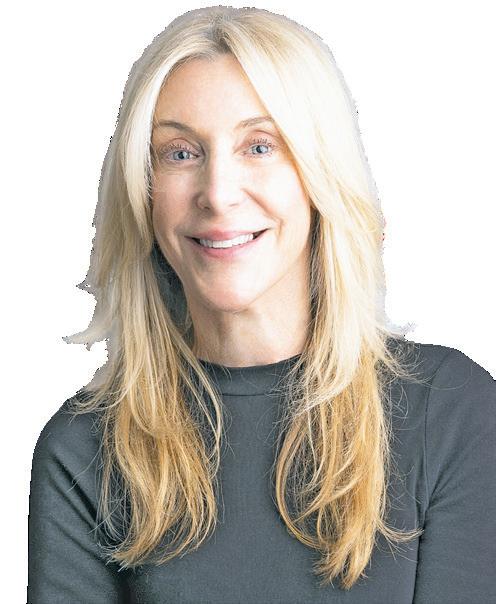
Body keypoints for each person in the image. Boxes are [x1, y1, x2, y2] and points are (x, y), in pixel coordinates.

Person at [27, 6, 496, 603]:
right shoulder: (83, 450)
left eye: (259, 145)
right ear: (142, 191)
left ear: (319, 175)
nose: (218, 193)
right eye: (180, 152)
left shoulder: (449, 411)